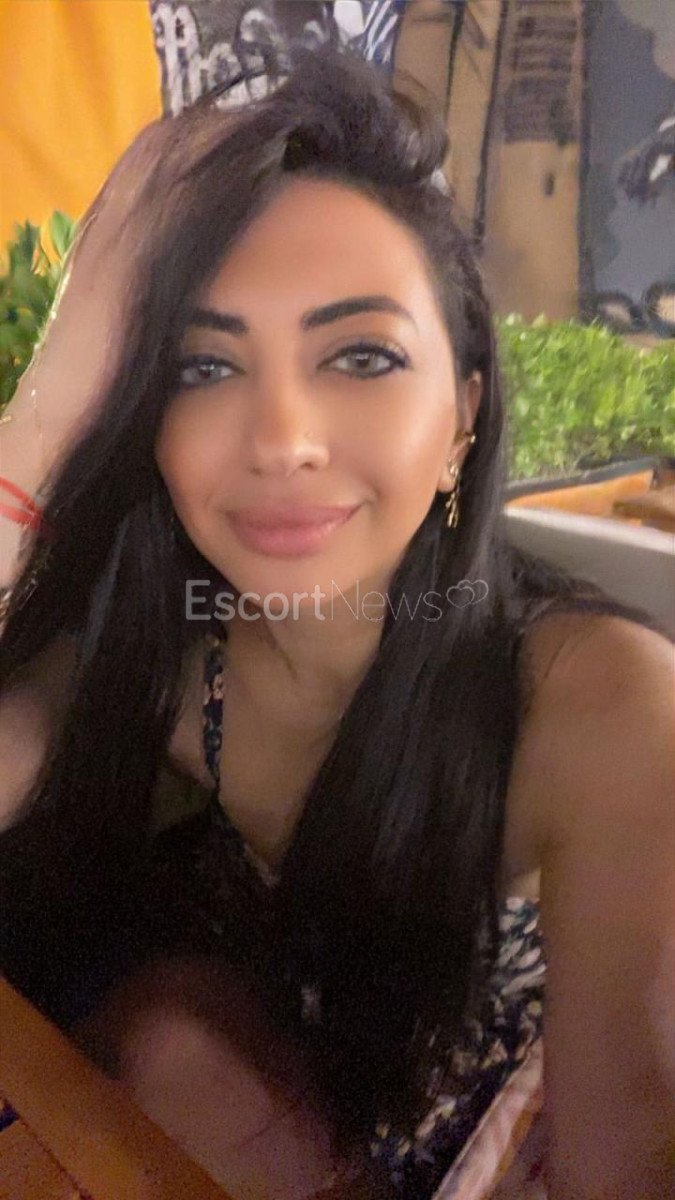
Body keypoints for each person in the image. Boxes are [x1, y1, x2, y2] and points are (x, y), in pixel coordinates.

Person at [0, 45, 673, 1200]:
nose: (282, 439)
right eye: (202, 366)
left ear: (462, 419)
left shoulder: (602, 710)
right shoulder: (172, 654)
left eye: (361, 355)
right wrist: (53, 403)